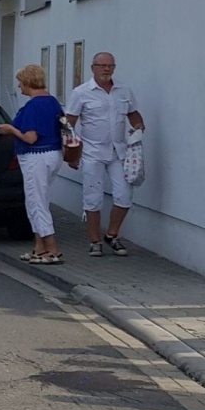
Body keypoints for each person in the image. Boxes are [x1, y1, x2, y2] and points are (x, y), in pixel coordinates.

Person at [65, 51, 145, 258]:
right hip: (92, 151)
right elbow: (68, 125)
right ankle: (94, 241)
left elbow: (134, 115)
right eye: (102, 66)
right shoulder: (81, 92)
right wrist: (71, 154)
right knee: (93, 197)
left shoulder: (123, 90)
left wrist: (138, 126)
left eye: (110, 66)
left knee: (125, 195)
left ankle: (112, 234)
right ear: (93, 68)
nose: (107, 69)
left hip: (118, 151)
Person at [0, 64, 63, 265]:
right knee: (36, 199)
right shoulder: (52, 102)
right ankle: (39, 247)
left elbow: (30, 137)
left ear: (28, 82)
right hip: (53, 153)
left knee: (37, 202)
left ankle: (52, 249)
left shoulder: (34, 106)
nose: (19, 86)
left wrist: (11, 130)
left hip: (37, 156)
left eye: (20, 81)